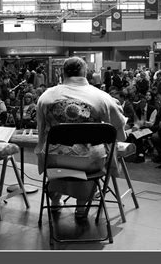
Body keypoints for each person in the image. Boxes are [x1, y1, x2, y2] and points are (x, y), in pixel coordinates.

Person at [35, 57, 127, 220]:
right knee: (95, 153)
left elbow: (41, 129)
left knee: (53, 158)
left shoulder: (46, 96)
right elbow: (119, 132)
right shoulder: (102, 97)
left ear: (63, 72)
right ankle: (81, 207)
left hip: (54, 159)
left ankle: (55, 202)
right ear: (85, 73)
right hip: (91, 161)